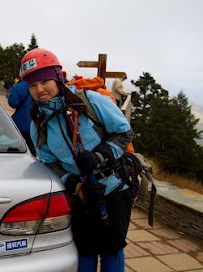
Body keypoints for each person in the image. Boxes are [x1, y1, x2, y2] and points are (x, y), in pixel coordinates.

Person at [20, 48, 134, 272]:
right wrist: (75, 186)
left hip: (115, 188)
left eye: (44, 81)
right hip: (82, 196)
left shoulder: (90, 101)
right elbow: (49, 162)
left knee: (112, 249)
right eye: (33, 85)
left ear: (57, 77)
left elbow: (124, 132)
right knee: (85, 250)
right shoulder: (39, 123)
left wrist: (99, 156)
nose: (39, 90)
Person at [8, 79, 35, 156]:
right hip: (35, 125)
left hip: (20, 123)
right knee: (32, 151)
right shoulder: (38, 85)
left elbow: (13, 103)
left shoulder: (17, 87)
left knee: (16, 149)